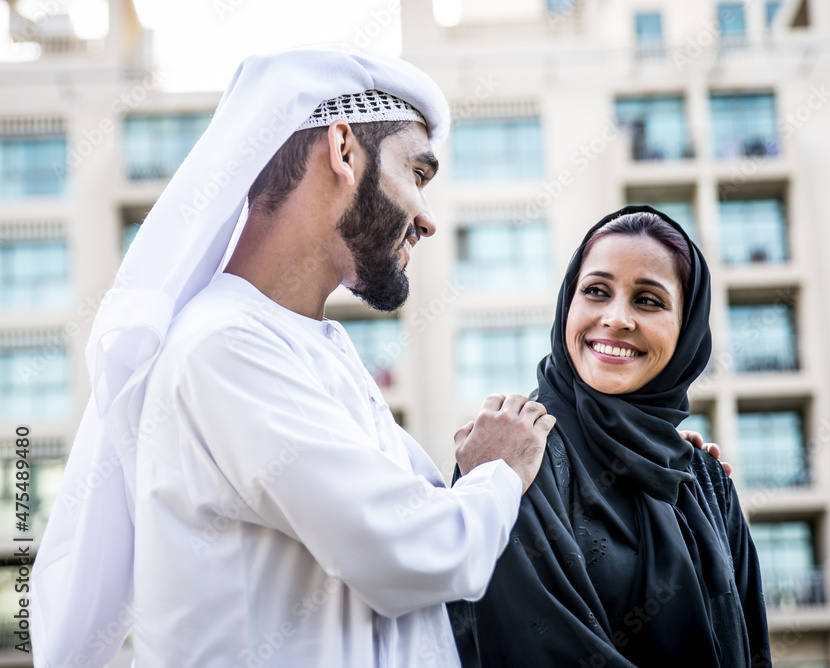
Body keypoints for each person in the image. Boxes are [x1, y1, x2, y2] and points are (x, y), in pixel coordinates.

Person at [30, 46, 555, 668]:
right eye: (417, 174)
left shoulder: (308, 349)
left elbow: (428, 519)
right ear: (342, 149)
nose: (427, 218)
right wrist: (499, 472)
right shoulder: (223, 348)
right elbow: (415, 552)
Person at [450, 206, 771, 667]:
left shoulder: (705, 479)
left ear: (687, 331)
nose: (617, 318)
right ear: (568, 304)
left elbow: (749, 642)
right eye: (596, 291)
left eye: (649, 300)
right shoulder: (515, 453)